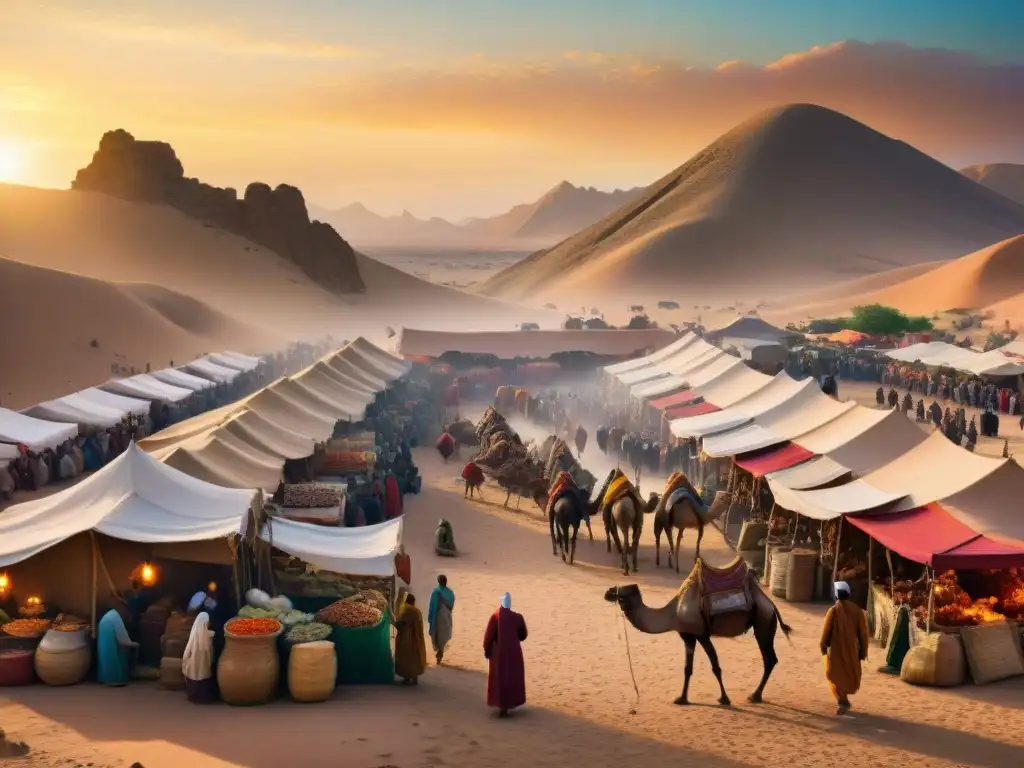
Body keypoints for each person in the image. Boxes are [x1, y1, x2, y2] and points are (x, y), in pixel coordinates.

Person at [820, 581, 869, 715]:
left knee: (834, 673)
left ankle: (842, 700)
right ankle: (843, 700)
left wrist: (823, 646)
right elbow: (863, 634)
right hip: (853, 650)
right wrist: (863, 651)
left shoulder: (833, 611)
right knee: (848, 672)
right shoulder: (857, 611)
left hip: (835, 650)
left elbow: (826, 632)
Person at [483, 592, 528, 717]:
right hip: (513, 652)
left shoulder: (495, 616)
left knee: (499, 677)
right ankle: (509, 704)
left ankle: (501, 705)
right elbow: (523, 635)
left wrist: (487, 650)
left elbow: (488, 637)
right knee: (511, 676)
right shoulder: (517, 617)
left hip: (498, 654)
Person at [97, 608, 139, 686]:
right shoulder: (115, 619)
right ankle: (116, 678)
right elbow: (123, 640)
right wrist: (136, 644)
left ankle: (107, 678)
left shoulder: (110, 616)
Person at [182, 611, 217, 703]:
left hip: (193, 662)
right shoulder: (210, 634)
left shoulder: (194, 634)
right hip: (204, 663)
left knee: (195, 674)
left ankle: (194, 696)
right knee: (203, 675)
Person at [393, 593, 427, 685]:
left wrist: (394, 622)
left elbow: (402, 624)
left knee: (407, 658)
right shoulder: (417, 611)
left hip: (407, 639)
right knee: (415, 658)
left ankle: (407, 678)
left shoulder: (407, 611)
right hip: (417, 639)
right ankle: (414, 677)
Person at [428, 575, 455, 665]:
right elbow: (451, 606)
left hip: (437, 617)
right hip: (447, 618)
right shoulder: (450, 592)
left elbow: (432, 606)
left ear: (438, 581)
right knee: (443, 636)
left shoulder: (436, 592)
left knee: (436, 635)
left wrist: (431, 617)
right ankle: (441, 651)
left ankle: (439, 652)